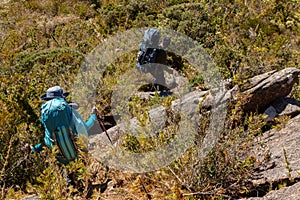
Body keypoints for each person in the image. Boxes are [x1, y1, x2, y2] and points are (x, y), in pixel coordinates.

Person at [29, 86, 97, 165]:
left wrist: (35, 149)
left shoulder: (46, 114)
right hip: (79, 153)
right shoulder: (71, 111)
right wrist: (94, 116)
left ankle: (34, 149)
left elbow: (47, 139)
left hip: (61, 158)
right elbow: (85, 127)